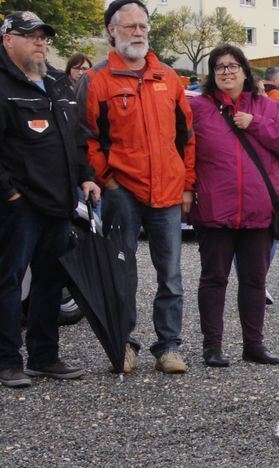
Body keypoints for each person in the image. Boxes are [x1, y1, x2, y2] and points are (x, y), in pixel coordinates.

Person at [78, 0, 196, 374]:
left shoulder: (168, 78)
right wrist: (108, 181)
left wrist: (186, 184)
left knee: (172, 274)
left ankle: (169, 346)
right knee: (121, 271)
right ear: (112, 31)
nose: (139, 33)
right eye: (129, 27)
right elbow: (87, 138)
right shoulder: (96, 80)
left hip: (168, 191)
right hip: (122, 191)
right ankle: (123, 344)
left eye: (143, 26)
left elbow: (187, 138)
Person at [0, 11, 100, 388]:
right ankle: (8, 360)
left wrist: (86, 178)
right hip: (18, 206)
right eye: (30, 36)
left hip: (59, 203)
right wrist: (9, 193)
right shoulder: (3, 84)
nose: (40, 43)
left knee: (49, 281)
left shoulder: (56, 83)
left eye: (43, 37)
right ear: (8, 39)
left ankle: (43, 356)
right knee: (9, 283)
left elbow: (73, 140)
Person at [189, 44, 279, 368]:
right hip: (214, 209)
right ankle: (213, 347)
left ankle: (254, 344)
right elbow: (184, 150)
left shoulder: (268, 108)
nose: (226, 71)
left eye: (233, 65)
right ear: (212, 73)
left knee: (255, 280)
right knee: (213, 279)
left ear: (244, 71)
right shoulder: (198, 109)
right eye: (220, 66)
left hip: (258, 210)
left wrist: (254, 123)